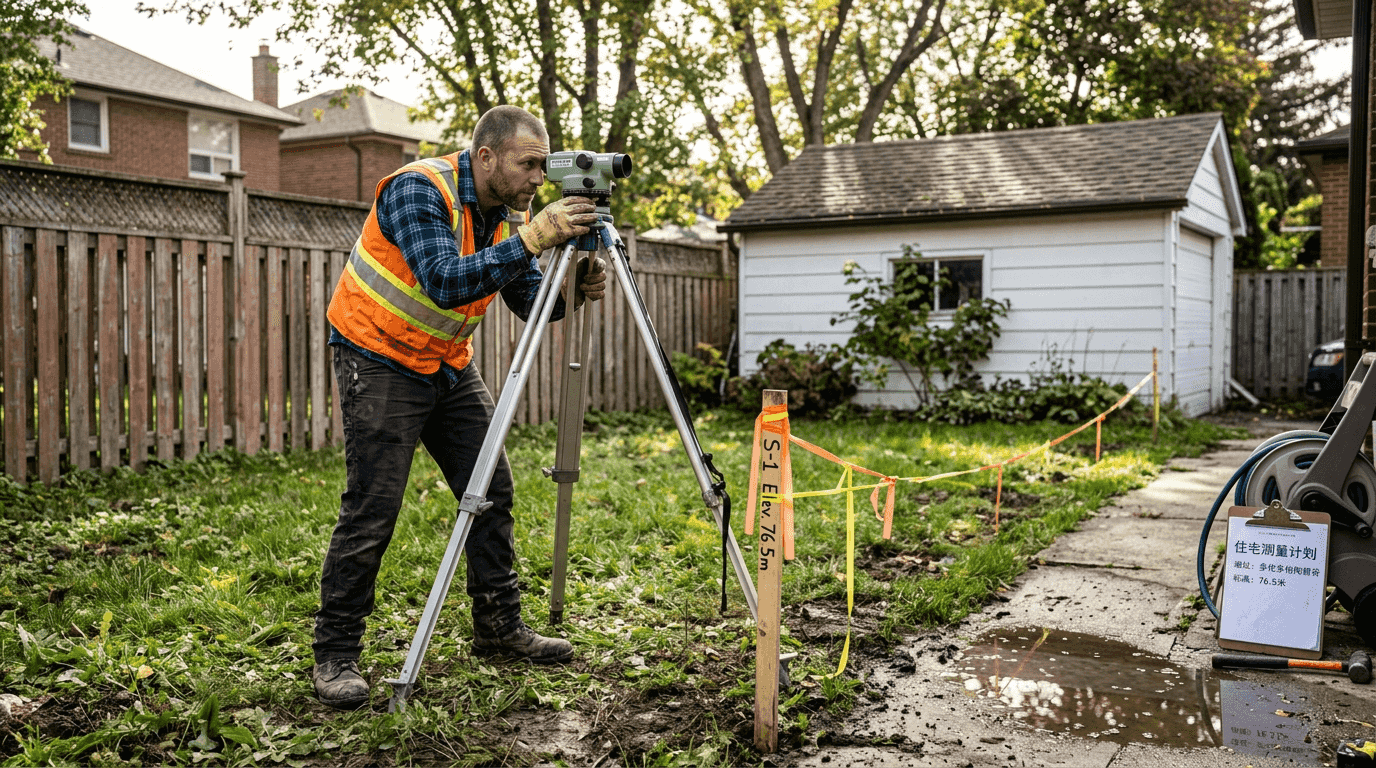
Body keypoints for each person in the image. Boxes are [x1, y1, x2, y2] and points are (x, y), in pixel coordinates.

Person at [311, 105, 606, 710]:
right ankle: (335, 653)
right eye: (528, 165)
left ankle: (498, 630)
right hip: (379, 355)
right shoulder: (418, 190)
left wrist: (573, 288)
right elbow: (444, 280)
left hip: (447, 361)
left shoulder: (507, 214)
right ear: (487, 156)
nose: (536, 180)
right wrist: (534, 237)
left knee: (491, 489)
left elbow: (530, 302)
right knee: (374, 507)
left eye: (541, 168)